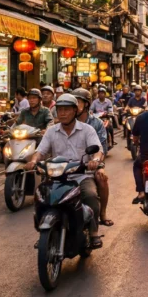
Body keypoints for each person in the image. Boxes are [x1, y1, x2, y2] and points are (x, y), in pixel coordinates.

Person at [24, 94, 105, 248]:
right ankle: (43, 233)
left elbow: (98, 150)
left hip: (81, 175)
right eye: (60, 110)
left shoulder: (87, 129)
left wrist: (94, 160)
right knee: (41, 197)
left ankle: (93, 232)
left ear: (75, 111)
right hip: (56, 177)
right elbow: (40, 151)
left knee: (91, 195)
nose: (62, 113)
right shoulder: (51, 131)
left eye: (66, 110)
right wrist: (34, 161)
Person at [72, 89, 112, 227]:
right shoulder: (66, 121)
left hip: (92, 162)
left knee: (101, 178)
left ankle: (102, 213)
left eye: (78, 102)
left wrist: (96, 162)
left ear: (87, 104)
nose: (74, 106)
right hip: (69, 164)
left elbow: (102, 149)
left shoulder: (96, 123)